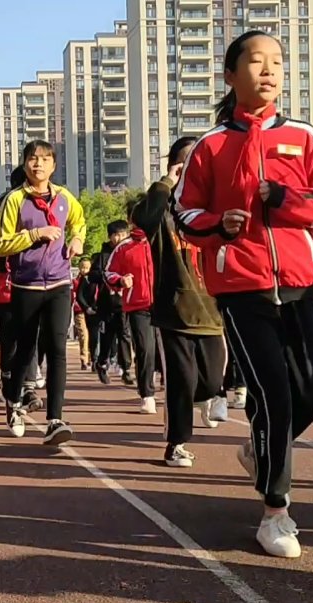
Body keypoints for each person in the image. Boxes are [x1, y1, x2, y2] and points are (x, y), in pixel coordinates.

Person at [173, 30, 313, 558]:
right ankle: (276, 511)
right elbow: (184, 211)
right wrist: (220, 226)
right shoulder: (212, 146)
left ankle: (261, 447)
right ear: (230, 75)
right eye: (255, 61)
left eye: (277, 61)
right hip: (243, 287)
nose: (268, 70)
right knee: (271, 393)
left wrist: (290, 201)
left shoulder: (304, 138)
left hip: (300, 284)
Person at [130, 137, 230, 469]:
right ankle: (177, 444)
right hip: (175, 311)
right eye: (184, 161)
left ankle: (206, 397)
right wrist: (167, 183)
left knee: (214, 378)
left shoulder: (216, 204)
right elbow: (142, 218)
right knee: (181, 382)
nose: (191, 167)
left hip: (213, 307)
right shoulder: (163, 209)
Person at [0, 140, 86, 445]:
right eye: (33, 159)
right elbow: (1, 245)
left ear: (54, 166)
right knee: (25, 349)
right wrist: (34, 234)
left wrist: (77, 241)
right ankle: (14, 402)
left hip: (59, 283)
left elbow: (79, 222)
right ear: (25, 163)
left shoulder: (64, 198)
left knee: (57, 349)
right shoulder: (15, 200)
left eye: (45, 159)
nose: (39, 165)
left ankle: (55, 418)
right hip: (26, 285)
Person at [104, 217, 158, 414]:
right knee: (145, 349)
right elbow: (108, 272)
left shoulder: (162, 240)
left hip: (165, 304)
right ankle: (147, 394)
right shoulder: (123, 248)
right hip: (138, 305)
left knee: (171, 351)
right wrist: (120, 280)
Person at [92, 221, 134, 386]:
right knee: (108, 335)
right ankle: (102, 362)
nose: (120, 238)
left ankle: (126, 368)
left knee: (124, 334)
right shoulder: (102, 256)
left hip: (125, 301)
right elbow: (93, 276)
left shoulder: (130, 251)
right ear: (110, 237)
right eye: (116, 235)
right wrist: (105, 277)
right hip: (107, 302)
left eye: (123, 234)